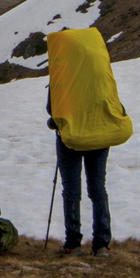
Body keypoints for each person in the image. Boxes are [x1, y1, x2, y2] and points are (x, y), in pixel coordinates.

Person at [46, 89, 112, 256]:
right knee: (98, 188)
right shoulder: (99, 73)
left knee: (71, 189)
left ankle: (73, 244)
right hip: (98, 135)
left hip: (70, 135)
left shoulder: (63, 73)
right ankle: (101, 245)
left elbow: (51, 108)